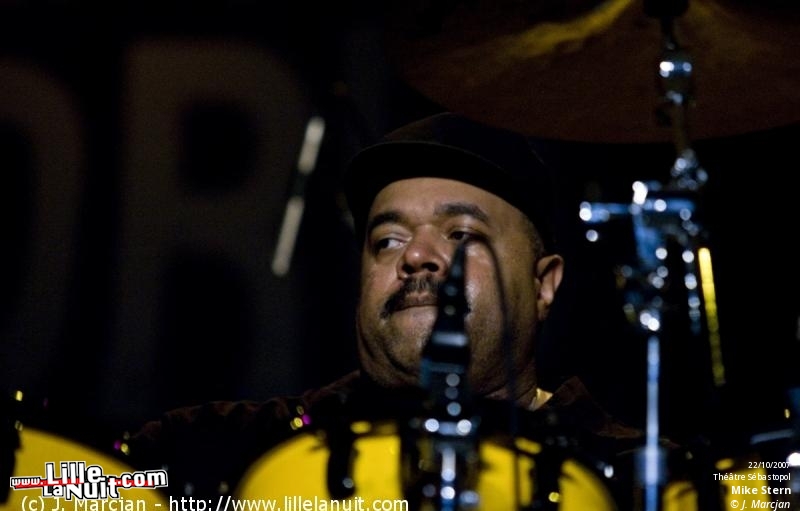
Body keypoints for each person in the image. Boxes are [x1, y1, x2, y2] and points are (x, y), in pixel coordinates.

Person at [123, 112, 650, 505]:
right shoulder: (217, 450)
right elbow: (75, 486)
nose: (416, 256)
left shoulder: (634, 478)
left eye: (462, 234)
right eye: (388, 241)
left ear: (544, 285)